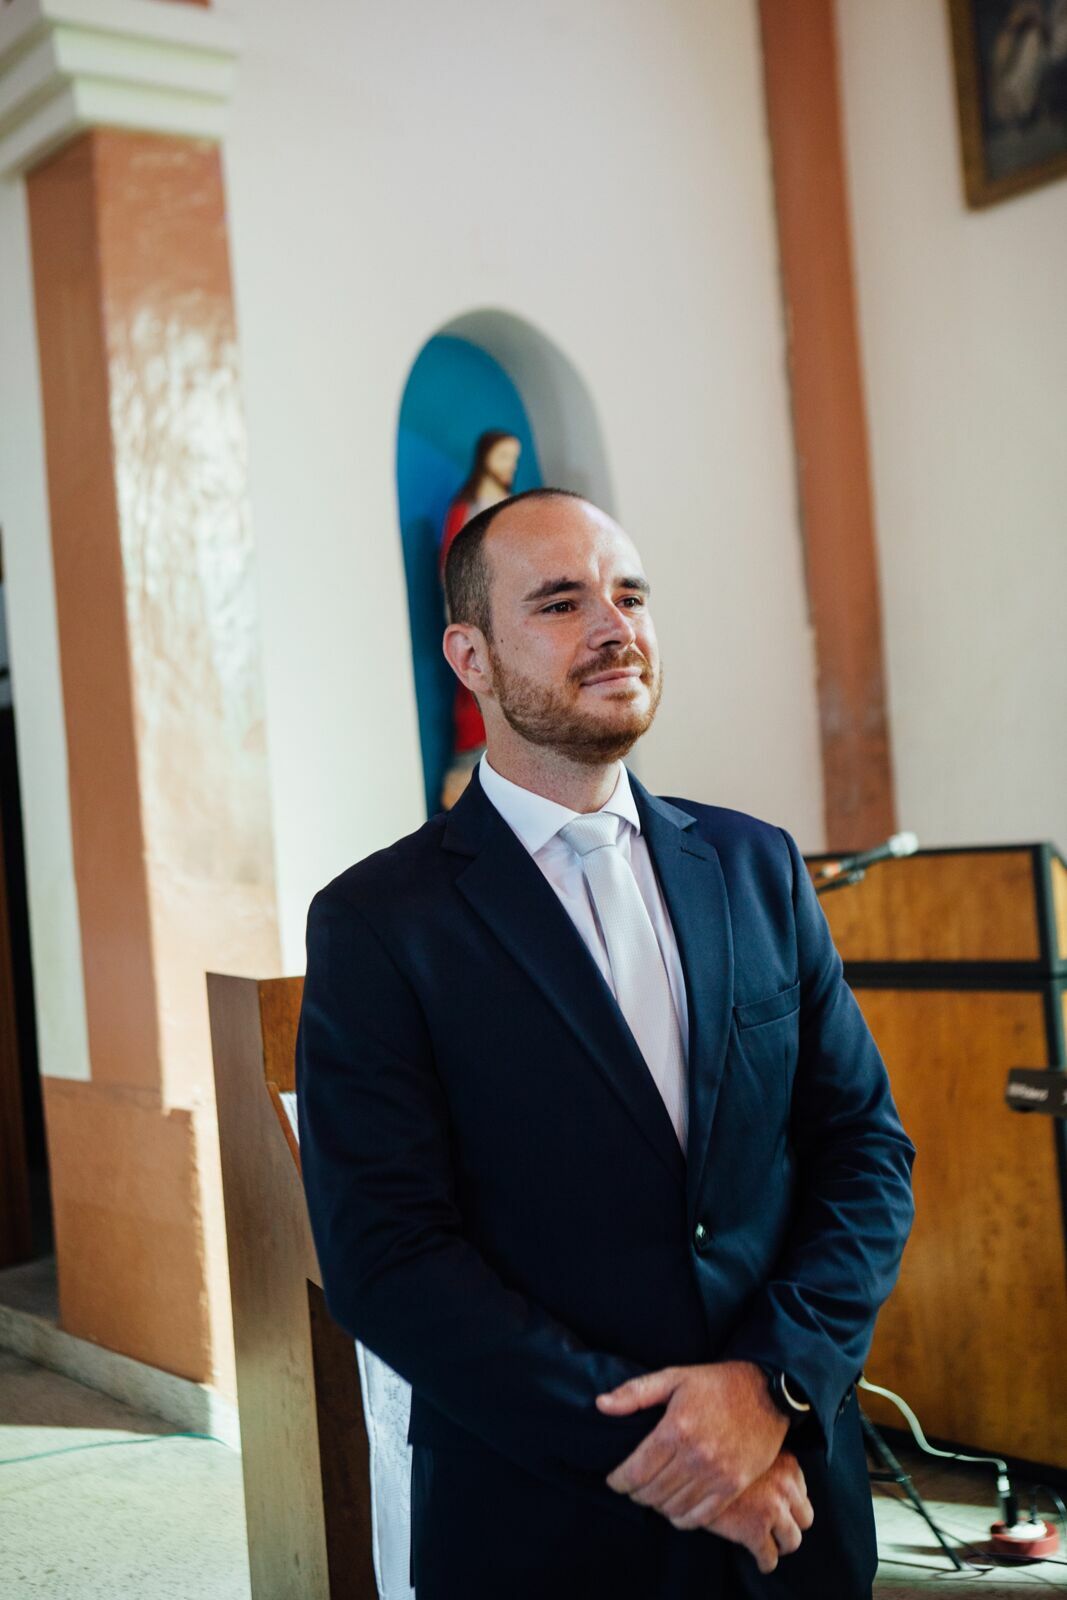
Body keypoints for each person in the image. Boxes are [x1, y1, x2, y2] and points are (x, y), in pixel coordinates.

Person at [296, 488, 915, 1599]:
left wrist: (767, 1386)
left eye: (628, 594)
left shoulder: (755, 866)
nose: (613, 626)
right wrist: (670, 1450)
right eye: (561, 599)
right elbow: (387, 1256)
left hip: (791, 1500)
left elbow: (863, 1149)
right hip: (543, 1518)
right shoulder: (378, 921)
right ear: (470, 655)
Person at [438, 430, 521, 809]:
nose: (509, 466)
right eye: (503, 457)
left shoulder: (515, 508)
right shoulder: (467, 508)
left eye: (513, 458)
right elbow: (453, 566)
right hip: (479, 613)